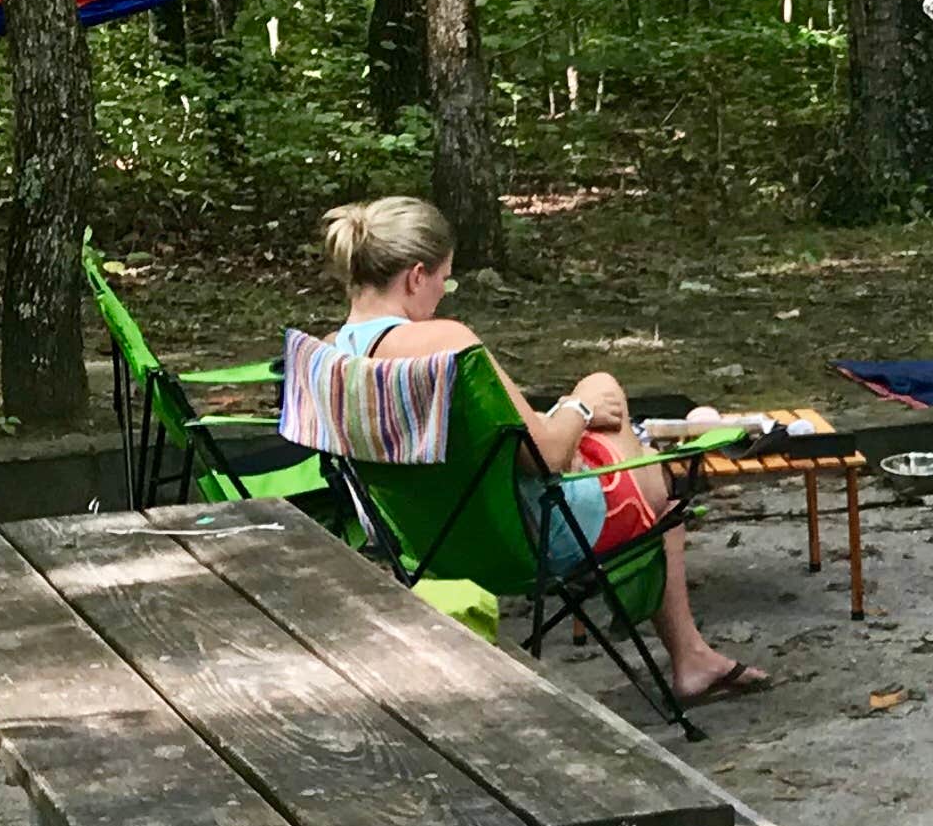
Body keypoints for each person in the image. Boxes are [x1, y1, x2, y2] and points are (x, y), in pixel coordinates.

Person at [318, 196, 761, 706]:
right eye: (445, 279)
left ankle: (693, 655)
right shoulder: (444, 341)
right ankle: (692, 657)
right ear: (416, 276)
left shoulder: (332, 354)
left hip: (423, 545)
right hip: (527, 540)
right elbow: (544, 458)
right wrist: (580, 406)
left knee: (598, 435)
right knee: (639, 457)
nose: (443, 294)